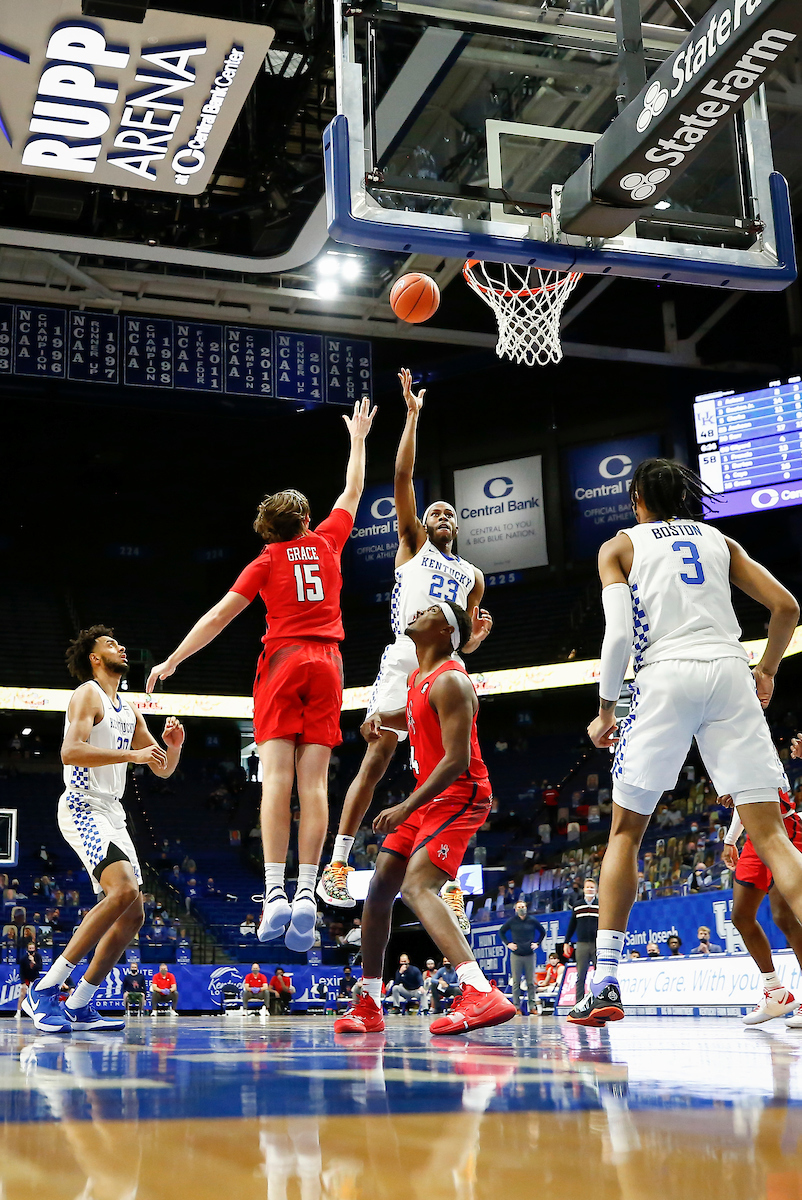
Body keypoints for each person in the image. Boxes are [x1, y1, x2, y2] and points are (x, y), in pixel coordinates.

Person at [568, 458, 800, 1026]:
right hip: (728, 668)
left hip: (663, 674)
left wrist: (605, 710)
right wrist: (766, 669)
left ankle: (606, 983)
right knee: (772, 836)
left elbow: (620, 633)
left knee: (627, 831)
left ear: (636, 500)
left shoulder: (620, 546)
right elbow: (787, 606)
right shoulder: (719, 539)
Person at [147, 399, 376, 953]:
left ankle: (274, 892)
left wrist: (174, 660)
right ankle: (305, 894)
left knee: (276, 780)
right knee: (315, 783)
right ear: (304, 519)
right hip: (329, 662)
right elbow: (353, 492)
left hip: (283, 658)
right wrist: (358, 438)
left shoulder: (267, 559)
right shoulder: (326, 542)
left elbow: (220, 616)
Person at [318, 370, 492, 910]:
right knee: (377, 753)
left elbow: (462, 640)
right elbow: (402, 476)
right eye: (434, 510)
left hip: (448, 671)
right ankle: (340, 864)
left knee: (453, 764)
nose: (440, 515)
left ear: (458, 528)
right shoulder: (414, 544)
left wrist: (476, 639)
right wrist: (412, 417)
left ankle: (451, 880)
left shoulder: (473, 576)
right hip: (403, 656)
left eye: (449, 513)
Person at [334, 601, 515, 1036]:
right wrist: (382, 717)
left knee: (418, 885)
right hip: (430, 796)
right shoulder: (418, 678)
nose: (419, 610)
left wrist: (405, 807)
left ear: (446, 631)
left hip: (461, 793)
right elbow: (414, 715)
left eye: (432, 610)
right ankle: (369, 1002)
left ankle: (478, 990)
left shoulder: (452, 680)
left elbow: (456, 761)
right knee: (379, 889)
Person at [22, 627, 184, 1035]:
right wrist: (133, 753)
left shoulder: (128, 711)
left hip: (113, 813)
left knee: (134, 915)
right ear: (95, 658)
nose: (121, 646)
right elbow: (69, 751)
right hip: (81, 805)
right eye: (110, 644)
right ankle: (44, 989)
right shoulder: (87, 693)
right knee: (124, 890)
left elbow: (161, 767)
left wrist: (174, 746)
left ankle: (79, 1003)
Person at [722, 779, 802, 1027]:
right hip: (754, 836)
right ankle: (775, 992)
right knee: (741, 916)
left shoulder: (759, 747)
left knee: (783, 917)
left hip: (782, 830)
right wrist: (730, 838)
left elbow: (763, 790)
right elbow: (743, 799)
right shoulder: (725, 757)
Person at [499, 899, 546, 1015]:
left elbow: (542, 932)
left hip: (529, 954)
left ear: (526, 908)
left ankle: (532, 1006)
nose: (521, 909)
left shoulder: (532, 920)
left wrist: (537, 943)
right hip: (516, 955)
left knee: (530, 983)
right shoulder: (512, 921)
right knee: (516, 982)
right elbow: (501, 932)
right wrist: (508, 943)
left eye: (523, 906)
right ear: (515, 909)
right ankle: (517, 1007)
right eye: (519, 907)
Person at [565, 879, 600, 999]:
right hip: (582, 945)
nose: (590, 889)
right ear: (584, 889)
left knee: (600, 974)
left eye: (592, 887)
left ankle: (599, 1001)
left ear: (596, 890)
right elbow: (572, 925)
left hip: (597, 944)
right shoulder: (578, 905)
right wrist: (566, 941)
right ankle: (578, 1004)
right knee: (581, 976)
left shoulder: (601, 904)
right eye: (587, 887)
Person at [16, 941, 42, 1022]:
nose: (31, 950)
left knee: (36, 995)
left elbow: (40, 968)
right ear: (27, 949)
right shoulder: (23, 958)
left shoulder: (38, 956)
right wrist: (23, 982)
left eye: (33, 948)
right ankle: (18, 1012)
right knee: (23, 993)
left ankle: (37, 1013)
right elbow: (21, 971)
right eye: (30, 948)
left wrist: (33, 962)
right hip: (26, 977)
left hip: (35, 977)